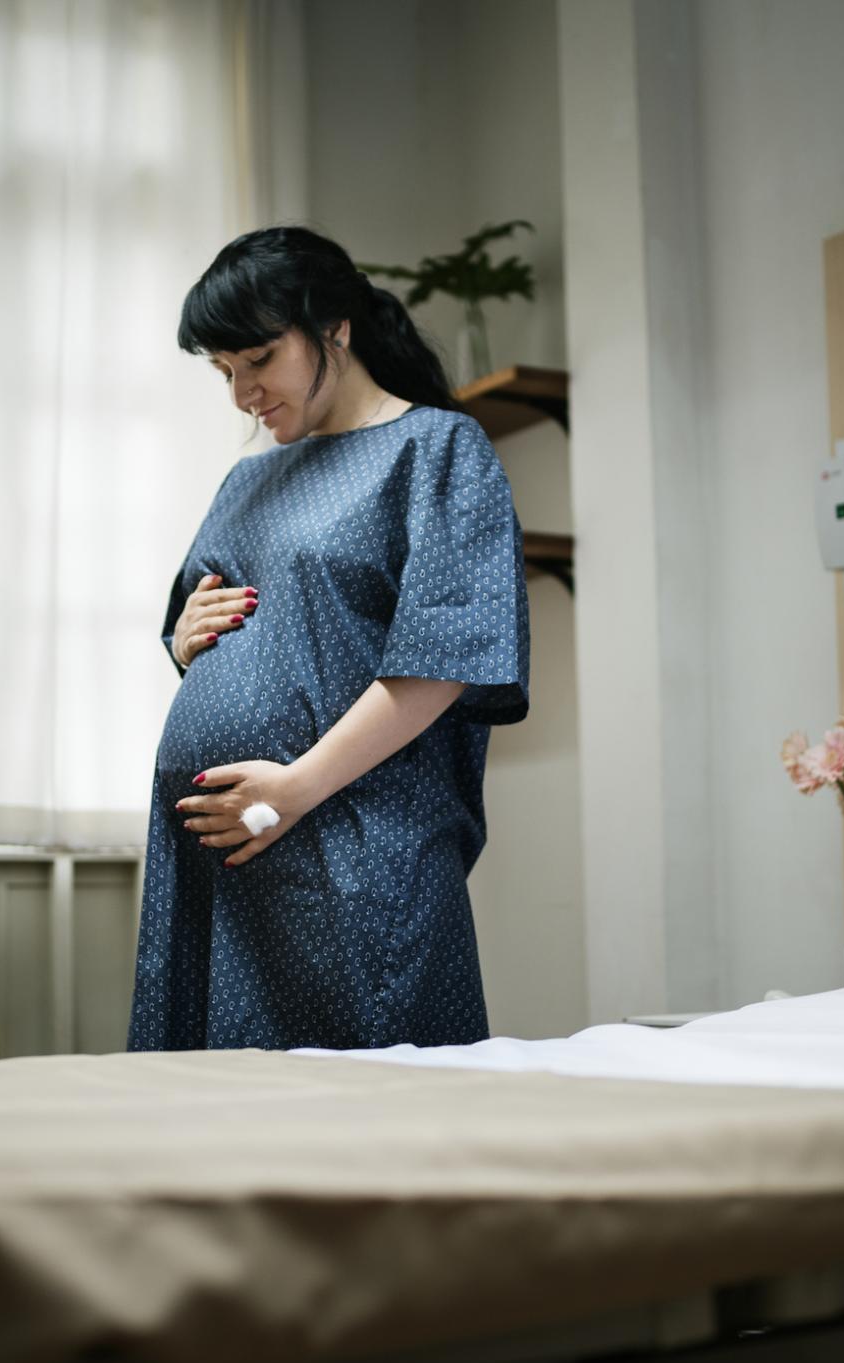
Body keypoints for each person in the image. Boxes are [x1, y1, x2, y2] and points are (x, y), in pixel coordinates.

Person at [126, 226, 531, 1053]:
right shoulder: (250, 478)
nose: (242, 393)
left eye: (258, 360)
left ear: (335, 327)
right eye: (224, 372)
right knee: (215, 1120)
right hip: (222, 855)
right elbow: (205, 624)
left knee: (362, 1123)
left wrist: (290, 792)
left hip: (349, 845)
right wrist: (183, 640)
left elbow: (444, 661)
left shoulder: (437, 450)